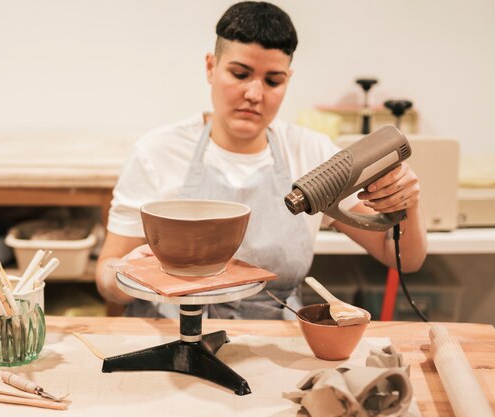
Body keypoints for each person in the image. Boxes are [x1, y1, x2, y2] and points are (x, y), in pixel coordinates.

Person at [96, 1, 427, 319]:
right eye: (240, 74)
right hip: (169, 332)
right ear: (211, 67)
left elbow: (402, 258)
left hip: (271, 338)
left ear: (288, 80)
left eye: (272, 81)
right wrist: (127, 275)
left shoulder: (312, 154)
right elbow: (107, 273)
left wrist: (406, 204)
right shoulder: (158, 152)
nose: (254, 94)